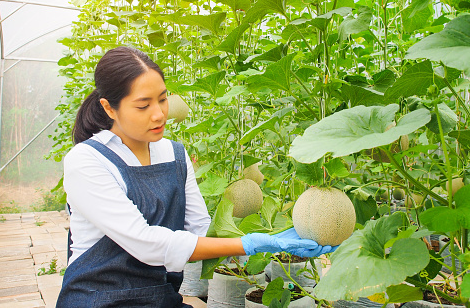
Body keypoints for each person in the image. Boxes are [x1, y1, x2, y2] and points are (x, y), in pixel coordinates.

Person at [56, 46, 336, 308]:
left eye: (163, 100)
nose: (159, 114)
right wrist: (248, 242)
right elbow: (145, 243)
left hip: (160, 295)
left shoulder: (174, 154)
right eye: (143, 106)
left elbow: (199, 229)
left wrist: (272, 237)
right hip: (98, 298)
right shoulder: (86, 160)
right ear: (109, 108)